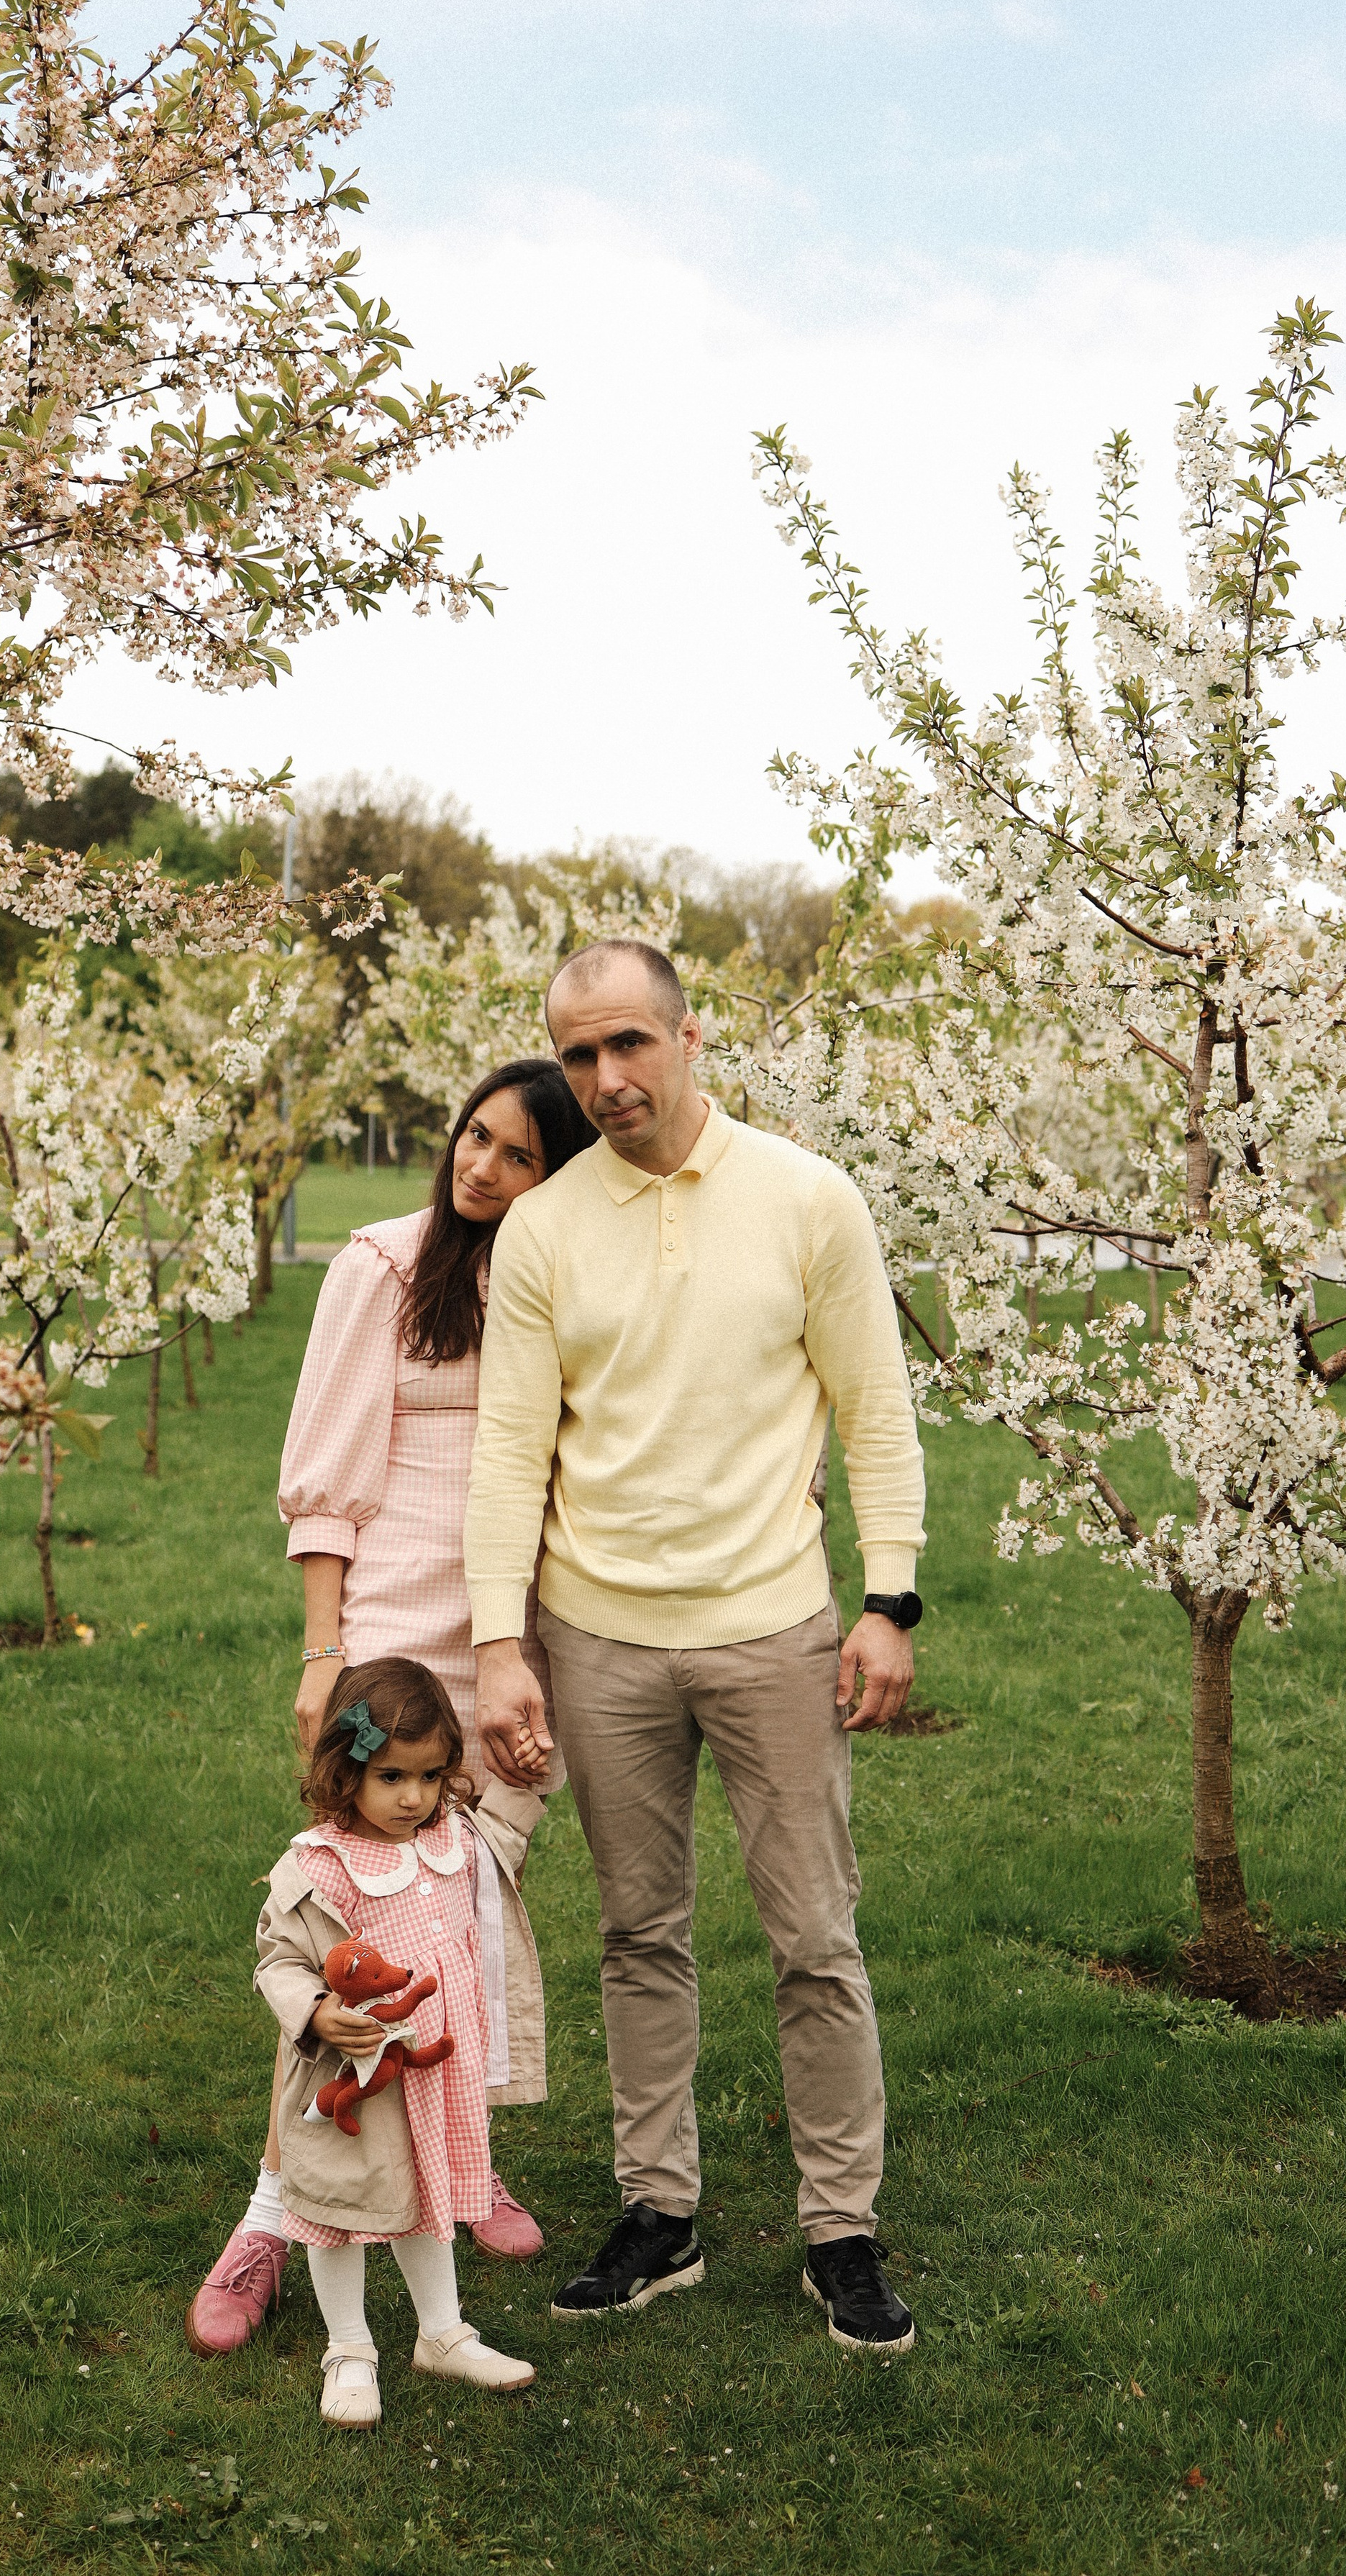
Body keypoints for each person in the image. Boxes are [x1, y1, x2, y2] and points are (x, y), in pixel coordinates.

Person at [465, 942, 928, 2354]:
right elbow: (508, 1448)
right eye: (576, 1056)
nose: (603, 1080)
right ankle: (656, 2214)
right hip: (596, 1637)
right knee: (635, 1934)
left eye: (626, 1047)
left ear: (686, 1037)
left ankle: (838, 2231)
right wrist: (500, 1645)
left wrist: (887, 1598)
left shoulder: (805, 1199)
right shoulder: (546, 1231)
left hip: (774, 1630)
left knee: (813, 1940)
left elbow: (874, 1406)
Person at [185, 1059, 596, 2358]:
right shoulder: (381, 1265)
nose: (480, 1166)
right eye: (475, 1137)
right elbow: (327, 1475)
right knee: (355, 1953)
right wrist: (325, 1657)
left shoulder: (565, 1279)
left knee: (461, 1942)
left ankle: (447, 2171)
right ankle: (272, 2212)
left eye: (517, 1154)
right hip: (399, 1654)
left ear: (559, 1175)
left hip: (522, 1655)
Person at [254, 1655, 537, 2428]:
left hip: (434, 2066)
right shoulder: (322, 1863)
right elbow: (279, 1959)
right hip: (354, 2078)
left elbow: (510, 1828)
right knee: (338, 2205)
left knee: (427, 2195)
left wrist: (532, 1763)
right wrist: (314, 2012)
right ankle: (348, 2348)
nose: (413, 1798)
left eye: (431, 1776)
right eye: (390, 1778)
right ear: (345, 1773)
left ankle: (441, 2333)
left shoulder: (449, 1839)